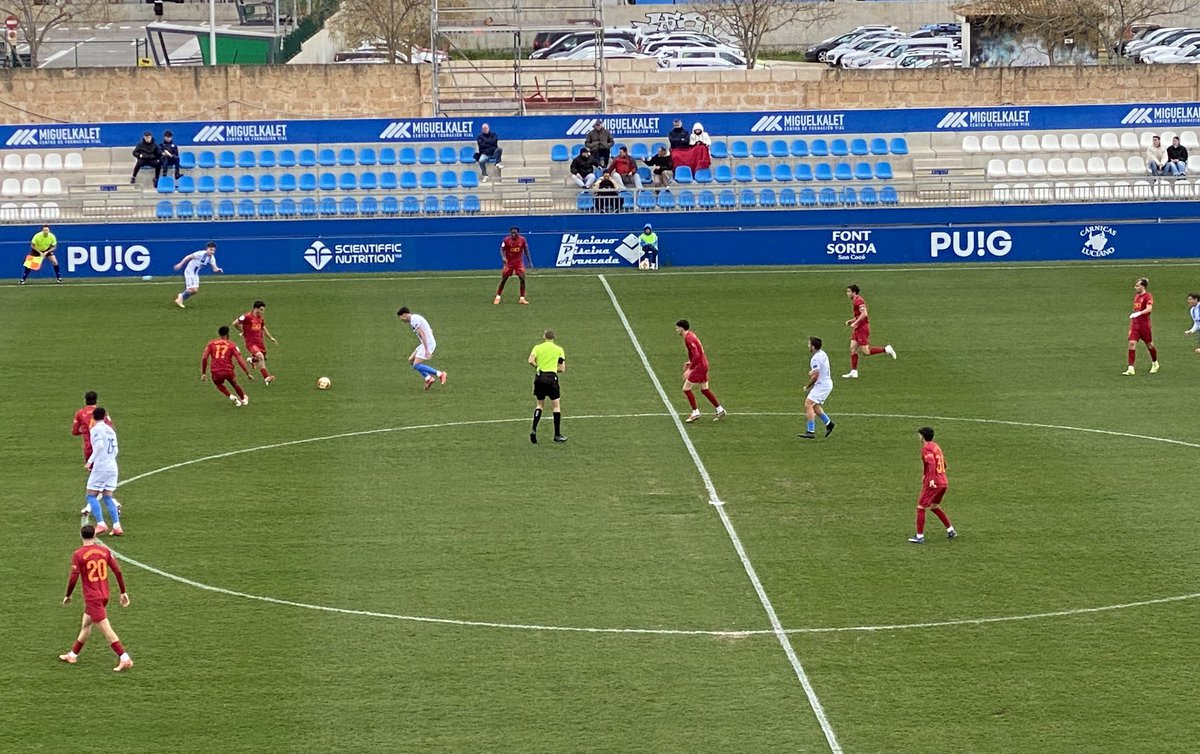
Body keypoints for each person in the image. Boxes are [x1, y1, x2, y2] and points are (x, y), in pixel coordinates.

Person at [60, 524, 133, 672]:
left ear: (81, 536)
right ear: (94, 536)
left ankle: (124, 658)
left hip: (93, 598)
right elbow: (117, 571)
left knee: (107, 630)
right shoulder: (104, 551)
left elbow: (74, 577)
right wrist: (123, 592)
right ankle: (73, 654)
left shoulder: (79, 554)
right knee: (86, 624)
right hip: (104, 594)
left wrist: (68, 595)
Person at [908, 427, 957, 544]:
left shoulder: (926, 448)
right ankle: (951, 530)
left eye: (919, 435)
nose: (919, 437)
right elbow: (943, 463)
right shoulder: (936, 446)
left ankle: (919, 536)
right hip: (943, 481)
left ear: (923, 436)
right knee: (934, 506)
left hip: (934, 483)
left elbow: (931, 463)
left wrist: (931, 479)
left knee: (921, 507)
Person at [842, 284, 897, 378]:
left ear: (854, 293)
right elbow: (859, 315)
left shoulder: (859, 301)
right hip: (858, 327)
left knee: (866, 352)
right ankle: (854, 372)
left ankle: (886, 349)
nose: (847, 294)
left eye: (848, 292)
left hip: (862, 328)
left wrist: (856, 323)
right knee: (852, 349)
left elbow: (864, 314)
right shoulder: (855, 300)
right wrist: (851, 321)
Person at [676, 319, 726, 423]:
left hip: (699, 366)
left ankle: (695, 412)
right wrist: (690, 362)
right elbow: (697, 353)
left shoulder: (689, 338)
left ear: (681, 328)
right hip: (703, 364)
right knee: (704, 389)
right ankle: (720, 409)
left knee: (686, 388)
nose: (676, 330)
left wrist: (690, 369)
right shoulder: (691, 335)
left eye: (677, 328)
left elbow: (697, 355)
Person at [83, 408, 123, 536]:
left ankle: (101, 524)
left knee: (90, 495)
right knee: (107, 496)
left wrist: (90, 461)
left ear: (93, 418)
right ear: (105, 417)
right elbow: (116, 450)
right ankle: (117, 526)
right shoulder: (110, 430)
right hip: (112, 465)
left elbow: (99, 446)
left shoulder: (95, 430)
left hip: (101, 466)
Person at [528, 329, 566, 444]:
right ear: (553, 338)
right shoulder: (559, 350)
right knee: (556, 405)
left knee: (540, 404)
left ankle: (534, 429)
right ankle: (557, 435)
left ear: (544, 336)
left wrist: (538, 366)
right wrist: (553, 369)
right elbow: (562, 368)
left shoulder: (537, 348)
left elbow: (530, 360)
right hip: (551, 377)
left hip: (540, 377)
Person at [201, 325, 253, 406]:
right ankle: (243, 399)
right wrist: (248, 373)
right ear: (228, 334)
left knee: (218, 384)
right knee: (235, 384)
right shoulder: (232, 345)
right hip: (228, 370)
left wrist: (203, 373)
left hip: (216, 371)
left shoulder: (211, 344)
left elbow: (204, 358)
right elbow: (240, 360)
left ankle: (231, 396)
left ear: (219, 334)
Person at [397, 307, 446, 390]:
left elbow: (422, 334)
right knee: (411, 360)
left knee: (416, 365)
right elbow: (430, 329)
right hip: (425, 343)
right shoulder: (415, 318)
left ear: (404, 314)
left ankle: (440, 374)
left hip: (427, 344)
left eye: (401, 317)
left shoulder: (414, 320)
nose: (401, 320)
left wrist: (427, 350)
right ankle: (428, 378)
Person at [234, 300, 277, 385]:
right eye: (261, 309)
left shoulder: (260, 318)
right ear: (255, 308)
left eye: (263, 310)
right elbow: (235, 323)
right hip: (251, 343)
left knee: (261, 358)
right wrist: (243, 331)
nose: (262, 312)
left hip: (260, 342)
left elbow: (263, 328)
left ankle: (252, 360)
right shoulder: (247, 317)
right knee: (260, 356)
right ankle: (266, 377)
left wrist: (271, 337)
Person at [799, 337, 835, 440]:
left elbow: (815, 376)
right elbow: (820, 369)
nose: (808, 346)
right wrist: (813, 372)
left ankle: (810, 431)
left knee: (808, 403)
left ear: (813, 347)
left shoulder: (815, 358)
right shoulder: (822, 354)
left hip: (822, 385)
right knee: (814, 406)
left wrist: (807, 386)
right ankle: (829, 423)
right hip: (826, 383)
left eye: (809, 344)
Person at [1124, 277, 1159, 375]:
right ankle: (1131, 368)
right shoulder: (1136, 296)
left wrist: (1138, 313)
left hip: (1144, 325)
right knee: (1131, 344)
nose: (1135, 287)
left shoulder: (1148, 296)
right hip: (1135, 325)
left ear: (1143, 286)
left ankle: (1155, 363)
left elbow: (1149, 309)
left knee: (1150, 345)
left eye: (1137, 286)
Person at [173, 242, 221, 308]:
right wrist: (180, 264)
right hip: (189, 272)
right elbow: (189, 257)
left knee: (195, 291)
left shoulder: (211, 258)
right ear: (207, 249)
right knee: (191, 289)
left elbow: (214, 268)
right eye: (211, 249)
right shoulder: (200, 253)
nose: (212, 252)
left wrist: (218, 270)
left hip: (195, 274)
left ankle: (180, 297)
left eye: (214, 250)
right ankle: (180, 299)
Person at [494, 226, 532, 305]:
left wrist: (529, 261)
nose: (513, 234)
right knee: (504, 280)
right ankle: (498, 297)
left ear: (518, 232)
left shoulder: (522, 240)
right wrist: (503, 257)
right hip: (509, 263)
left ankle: (522, 298)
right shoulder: (506, 240)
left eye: (515, 232)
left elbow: (526, 250)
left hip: (518, 263)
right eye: (512, 233)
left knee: (522, 279)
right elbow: (501, 249)